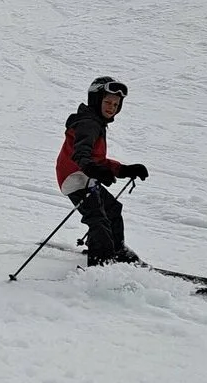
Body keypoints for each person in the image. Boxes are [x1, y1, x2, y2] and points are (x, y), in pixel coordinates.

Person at [55, 76, 149, 265]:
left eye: (116, 104)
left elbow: (98, 159)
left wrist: (123, 170)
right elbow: (81, 154)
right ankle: (101, 264)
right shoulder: (88, 124)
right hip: (75, 179)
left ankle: (115, 250)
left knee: (113, 209)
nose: (111, 107)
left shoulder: (95, 122)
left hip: (85, 176)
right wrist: (94, 170)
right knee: (98, 218)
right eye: (107, 102)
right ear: (96, 100)